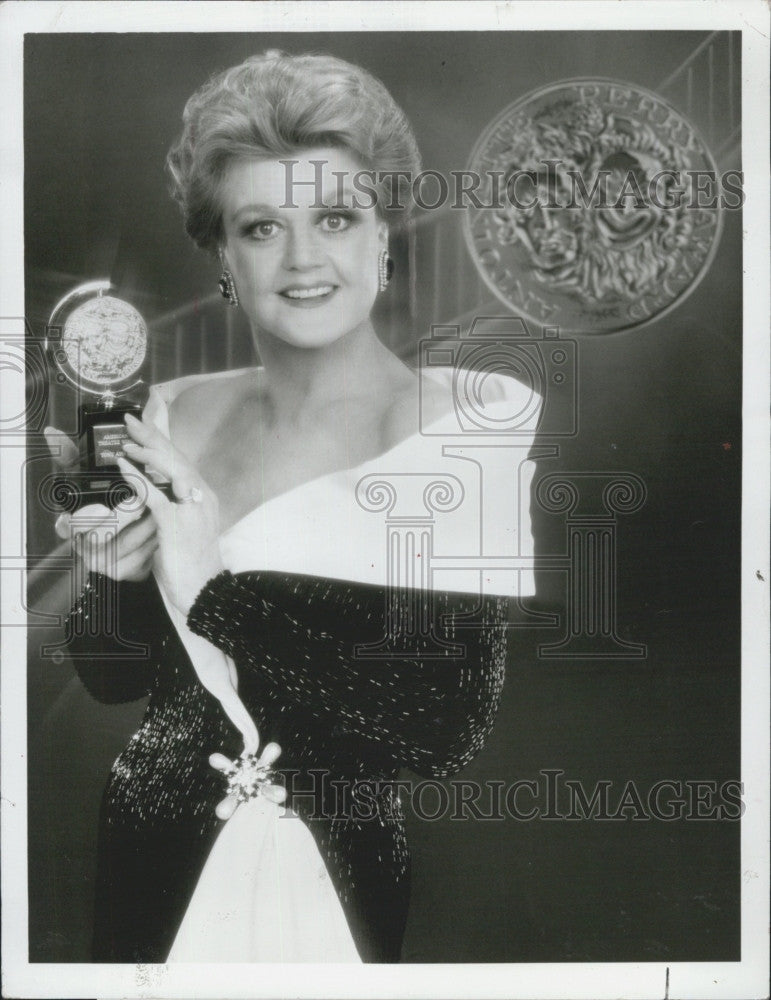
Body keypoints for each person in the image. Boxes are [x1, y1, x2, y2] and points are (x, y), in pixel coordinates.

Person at [48, 50, 541, 964]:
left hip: (329, 877)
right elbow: (118, 680)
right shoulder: (175, 411)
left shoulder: (457, 428)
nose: (304, 258)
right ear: (223, 258)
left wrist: (209, 585)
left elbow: (442, 725)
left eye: (337, 217)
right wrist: (114, 578)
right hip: (146, 851)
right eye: (263, 227)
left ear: (385, 236)